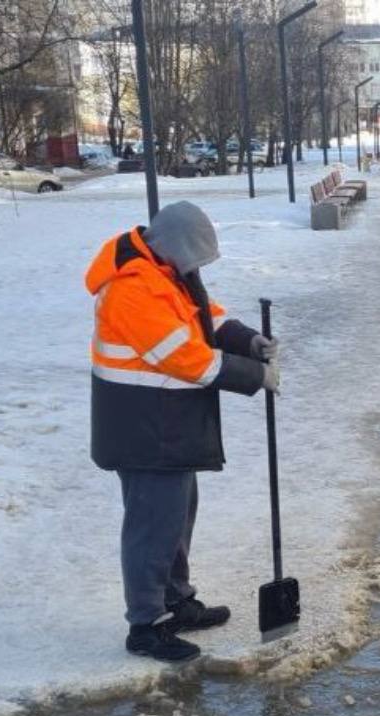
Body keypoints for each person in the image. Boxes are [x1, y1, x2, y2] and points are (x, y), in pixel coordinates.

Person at [85, 200, 280, 662]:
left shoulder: (167, 272)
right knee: (152, 527)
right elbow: (188, 358)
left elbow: (204, 318)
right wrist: (255, 376)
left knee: (177, 515)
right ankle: (146, 624)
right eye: (194, 257)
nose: (197, 269)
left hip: (165, 422)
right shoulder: (133, 290)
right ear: (175, 246)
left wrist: (247, 339)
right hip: (142, 427)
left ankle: (176, 600)